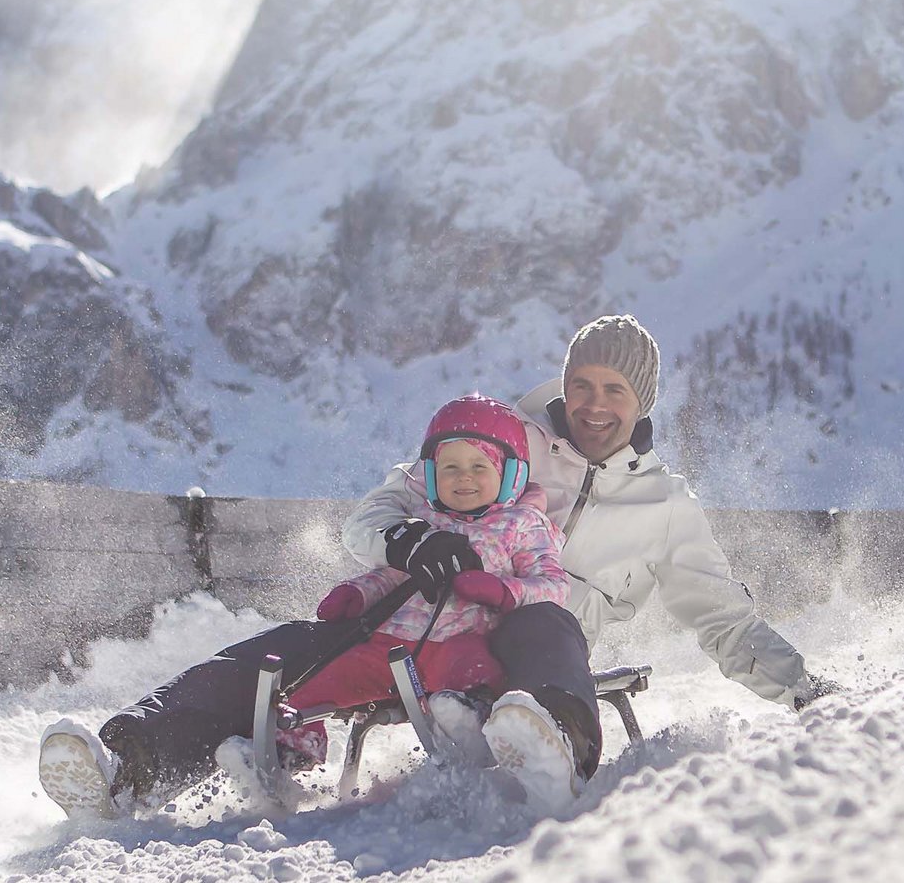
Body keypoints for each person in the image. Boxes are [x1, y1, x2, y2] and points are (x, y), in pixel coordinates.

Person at [343, 314, 840, 795]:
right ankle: (280, 724)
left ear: (642, 402)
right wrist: (404, 540)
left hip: (545, 657)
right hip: (439, 628)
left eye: (615, 389)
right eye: (582, 384)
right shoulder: (509, 440)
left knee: (544, 621)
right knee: (345, 627)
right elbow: (382, 508)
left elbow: (723, 619)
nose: (594, 404)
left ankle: (560, 747)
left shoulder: (664, 507)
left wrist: (804, 691)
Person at [38, 394, 578, 818]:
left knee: (472, 674)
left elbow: (553, 583)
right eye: (451, 468)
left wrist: (505, 591)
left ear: (509, 475)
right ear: (431, 473)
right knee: (300, 675)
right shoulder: (423, 507)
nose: (464, 479)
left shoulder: (526, 522)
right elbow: (376, 548)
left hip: (505, 648)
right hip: (390, 641)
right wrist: (368, 582)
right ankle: (175, 763)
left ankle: (504, 737)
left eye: (478, 469)